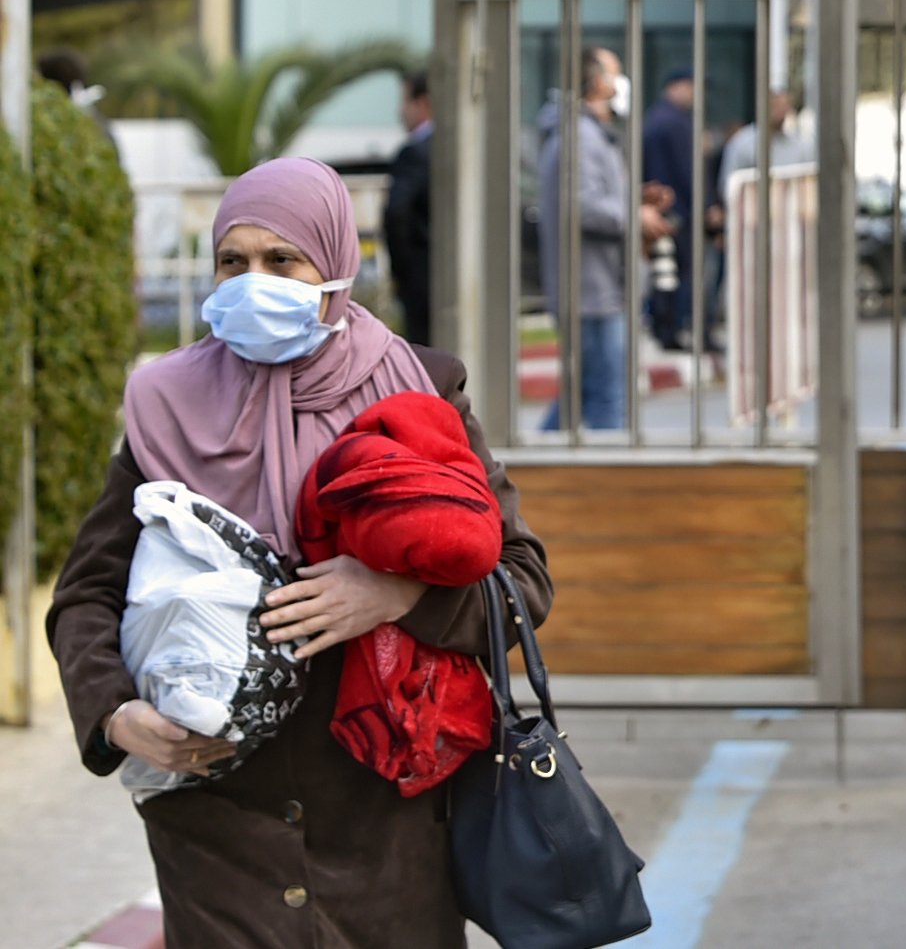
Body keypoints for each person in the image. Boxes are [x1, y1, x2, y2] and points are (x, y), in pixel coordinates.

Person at [46, 157, 552, 949]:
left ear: (336, 265)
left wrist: (399, 594)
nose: (254, 281)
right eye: (232, 262)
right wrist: (117, 716)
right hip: (216, 816)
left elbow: (523, 582)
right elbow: (86, 594)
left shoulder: (420, 393)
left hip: (389, 818)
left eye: (282, 261)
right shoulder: (166, 407)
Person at [537, 46, 671, 431]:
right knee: (608, 400)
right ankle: (608, 482)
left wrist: (635, 201)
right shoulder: (579, 137)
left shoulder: (586, 134)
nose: (620, 83)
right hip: (593, 293)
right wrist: (635, 214)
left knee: (579, 397)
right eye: (615, 74)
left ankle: (527, 476)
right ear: (597, 82)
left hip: (597, 288)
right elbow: (582, 206)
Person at [641, 68, 700, 349]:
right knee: (673, 274)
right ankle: (669, 330)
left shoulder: (656, 118)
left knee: (664, 272)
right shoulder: (674, 122)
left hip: (658, 208)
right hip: (674, 210)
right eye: (690, 87)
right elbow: (686, 170)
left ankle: (663, 328)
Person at [382, 71, 434, 345]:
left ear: (422, 103)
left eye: (404, 101)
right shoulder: (458, 148)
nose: (400, 111)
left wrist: (402, 271)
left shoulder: (415, 153)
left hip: (421, 279)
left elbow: (396, 213)